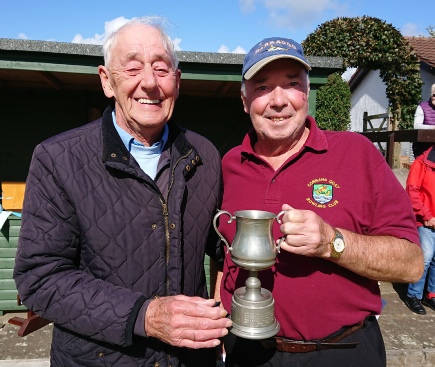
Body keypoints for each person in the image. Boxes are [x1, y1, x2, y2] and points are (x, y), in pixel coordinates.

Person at [13, 17, 231, 367]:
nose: (149, 83)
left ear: (177, 81)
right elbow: (40, 278)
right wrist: (144, 316)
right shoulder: (58, 159)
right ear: (106, 81)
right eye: (132, 69)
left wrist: (218, 321)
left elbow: (223, 248)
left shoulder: (203, 154)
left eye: (162, 69)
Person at [216, 37, 424, 367]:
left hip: (342, 352)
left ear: (307, 92)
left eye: (291, 84)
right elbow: (222, 254)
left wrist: (332, 242)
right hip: (247, 352)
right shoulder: (229, 163)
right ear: (245, 101)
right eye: (263, 87)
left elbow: (411, 263)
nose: (279, 101)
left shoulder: (356, 154)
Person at [404, 145, 435, 315]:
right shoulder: (421, 163)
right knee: (425, 258)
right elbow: (412, 191)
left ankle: (431, 294)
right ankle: (413, 295)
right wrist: (427, 216)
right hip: (426, 221)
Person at [412, 84, 435, 157]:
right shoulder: (422, 107)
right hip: (423, 147)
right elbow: (416, 126)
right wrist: (433, 128)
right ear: (431, 95)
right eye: (434, 95)